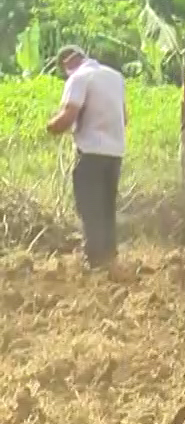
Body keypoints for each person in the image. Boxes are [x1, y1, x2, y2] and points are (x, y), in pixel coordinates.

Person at [44, 45, 128, 270]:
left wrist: (50, 127)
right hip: (114, 153)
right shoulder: (115, 77)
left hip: (90, 152)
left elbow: (69, 115)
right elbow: (125, 118)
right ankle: (109, 256)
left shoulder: (79, 78)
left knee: (89, 206)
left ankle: (93, 260)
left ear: (66, 63)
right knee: (106, 206)